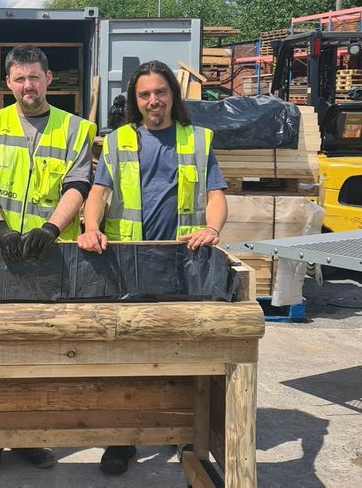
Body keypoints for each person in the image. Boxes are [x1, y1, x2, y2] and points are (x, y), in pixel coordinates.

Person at [77, 59, 229, 476]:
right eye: (144, 94)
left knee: (180, 353)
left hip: (184, 265)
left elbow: (216, 194)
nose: (153, 101)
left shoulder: (197, 140)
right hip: (130, 265)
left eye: (160, 92)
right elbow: (98, 192)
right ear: (134, 100)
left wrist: (212, 229)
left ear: (172, 96)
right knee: (126, 355)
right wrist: (91, 228)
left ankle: (185, 433)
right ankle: (122, 438)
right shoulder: (119, 140)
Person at [0, 44, 97, 484]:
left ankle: (30, 435)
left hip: (50, 257)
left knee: (42, 352)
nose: (28, 86)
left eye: (34, 77)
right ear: (8, 84)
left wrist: (52, 229)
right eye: (19, 79)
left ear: (49, 79)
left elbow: (78, 183)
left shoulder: (76, 129)